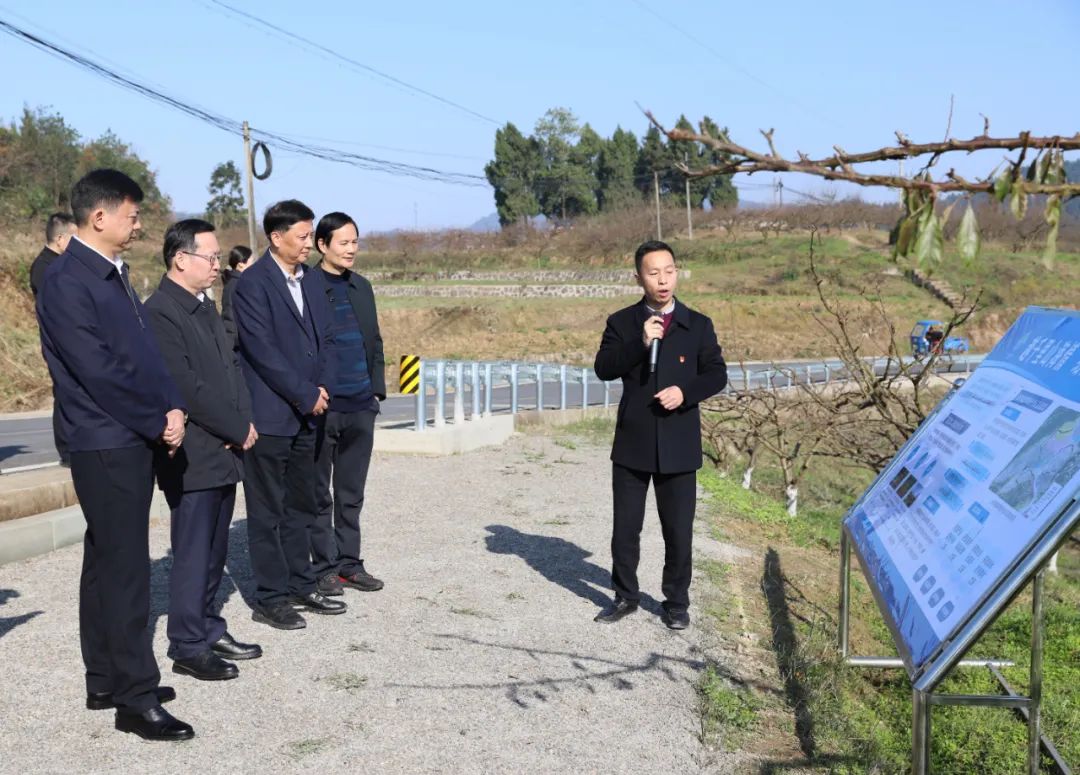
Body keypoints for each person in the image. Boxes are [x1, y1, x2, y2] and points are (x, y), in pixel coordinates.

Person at [36, 169, 193, 741]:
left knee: (105, 560)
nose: (139, 224)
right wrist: (156, 420)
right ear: (98, 217)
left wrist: (172, 404)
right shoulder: (67, 280)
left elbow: (146, 354)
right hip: (104, 440)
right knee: (126, 569)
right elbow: (98, 372)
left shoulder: (112, 274)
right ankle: (135, 698)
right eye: (131, 214)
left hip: (130, 434)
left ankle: (105, 678)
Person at [144, 219, 263, 683]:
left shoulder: (203, 306)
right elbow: (186, 387)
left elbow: (231, 369)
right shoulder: (161, 312)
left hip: (226, 446)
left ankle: (208, 625)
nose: (218, 265)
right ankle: (187, 642)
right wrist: (236, 425)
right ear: (180, 259)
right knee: (193, 552)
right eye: (210, 258)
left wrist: (245, 420)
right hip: (194, 452)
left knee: (214, 550)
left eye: (217, 258)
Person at [593, 240, 727, 630]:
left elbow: (717, 374)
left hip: (679, 442)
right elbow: (604, 367)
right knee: (626, 527)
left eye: (668, 271)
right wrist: (640, 342)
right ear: (639, 278)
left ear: (677, 272)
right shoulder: (622, 323)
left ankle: (676, 602)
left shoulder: (698, 324)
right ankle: (625, 596)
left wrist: (686, 393)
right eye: (653, 273)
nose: (663, 280)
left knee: (678, 529)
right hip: (633, 440)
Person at [233, 200, 345, 630]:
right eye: (301, 236)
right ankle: (271, 596)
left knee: (303, 504)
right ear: (276, 237)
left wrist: (324, 389)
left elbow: (329, 339)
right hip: (273, 413)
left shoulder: (313, 280)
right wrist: (303, 393)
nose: (307, 244)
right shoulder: (252, 285)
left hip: (311, 411)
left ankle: (302, 582)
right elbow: (262, 351)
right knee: (267, 510)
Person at [302, 212, 386, 598]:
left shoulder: (362, 287)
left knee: (351, 493)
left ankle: (350, 563)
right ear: (322, 245)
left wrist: (376, 392)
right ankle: (324, 567)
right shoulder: (306, 287)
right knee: (319, 494)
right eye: (344, 242)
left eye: (355, 242)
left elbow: (376, 341)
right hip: (323, 408)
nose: (352, 249)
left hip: (360, 405)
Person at [30, 212, 78, 466]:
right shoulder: (44, 268)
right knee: (64, 391)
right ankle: (67, 450)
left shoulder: (59, 265)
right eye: (74, 237)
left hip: (66, 339)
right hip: (57, 341)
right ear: (60, 239)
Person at [30, 212, 77, 296]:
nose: (78, 242)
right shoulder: (42, 268)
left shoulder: (66, 261)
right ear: (59, 239)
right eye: (75, 238)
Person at [221, 244, 252, 350]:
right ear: (240, 265)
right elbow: (230, 315)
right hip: (238, 343)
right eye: (252, 262)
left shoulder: (234, 282)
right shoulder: (238, 285)